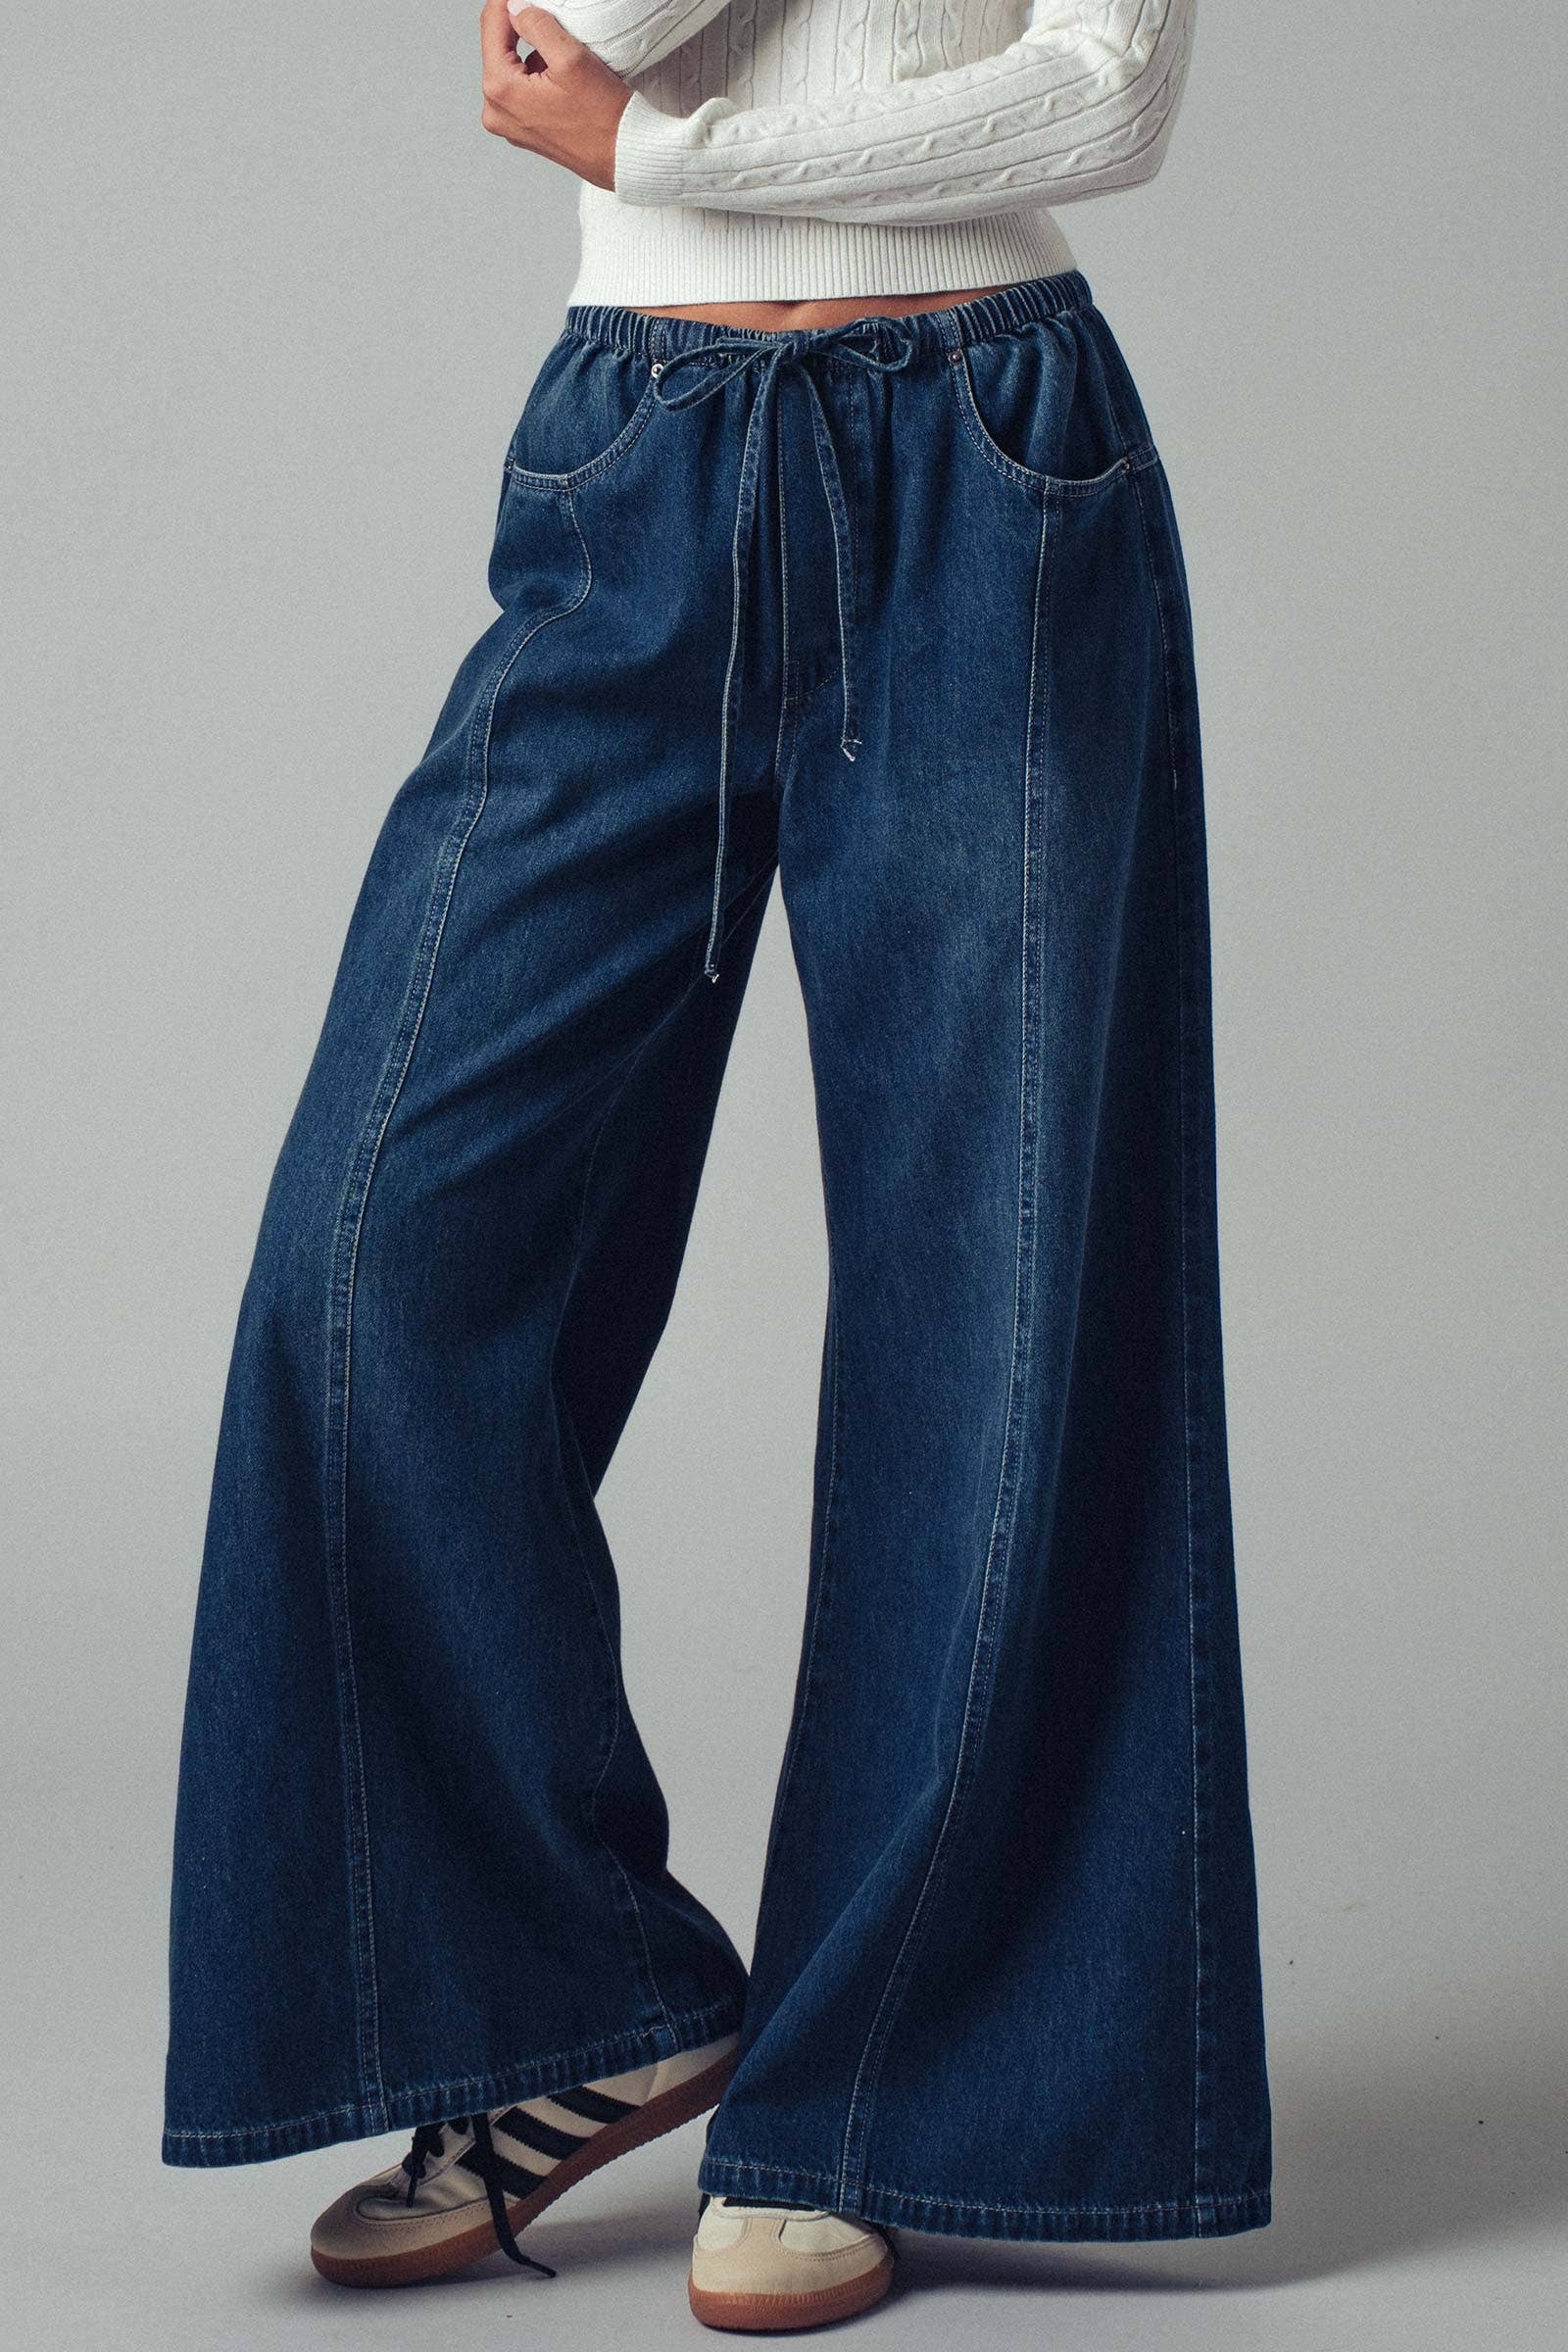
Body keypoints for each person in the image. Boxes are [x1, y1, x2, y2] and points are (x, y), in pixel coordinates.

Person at [161, 0, 1272, 2332]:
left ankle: (877, 2096)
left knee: (993, 1312)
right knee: (369, 1269)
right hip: (637, 456)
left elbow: (1103, 95)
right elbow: (558, 32)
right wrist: (635, 127)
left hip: (987, 455)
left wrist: (661, 151)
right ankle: (573, 1996)